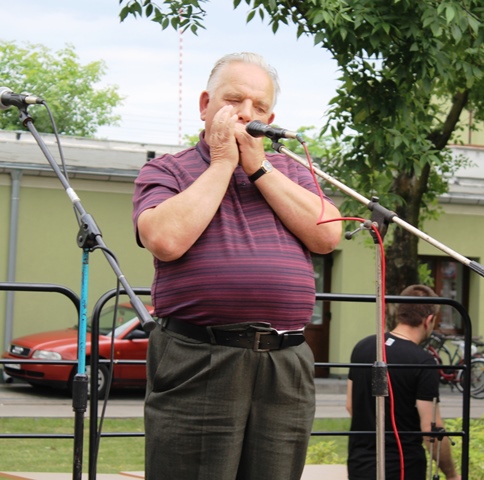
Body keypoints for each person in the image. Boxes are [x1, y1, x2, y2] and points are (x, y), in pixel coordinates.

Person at [132, 52, 342, 480]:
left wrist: (259, 168)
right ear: (205, 104)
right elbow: (165, 240)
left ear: (271, 117)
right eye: (234, 100)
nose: (247, 114)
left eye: (259, 107)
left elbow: (327, 235)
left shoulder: (291, 172)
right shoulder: (167, 170)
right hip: (200, 355)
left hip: (284, 364)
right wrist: (224, 163)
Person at [346, 284, 461, 480]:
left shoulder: (364, 346)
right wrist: (452, 474)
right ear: (429, 320)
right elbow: (431, 430)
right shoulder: (423, 362)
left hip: (359, 464)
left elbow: (350, 405)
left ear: (400, 313)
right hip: (403, 467)